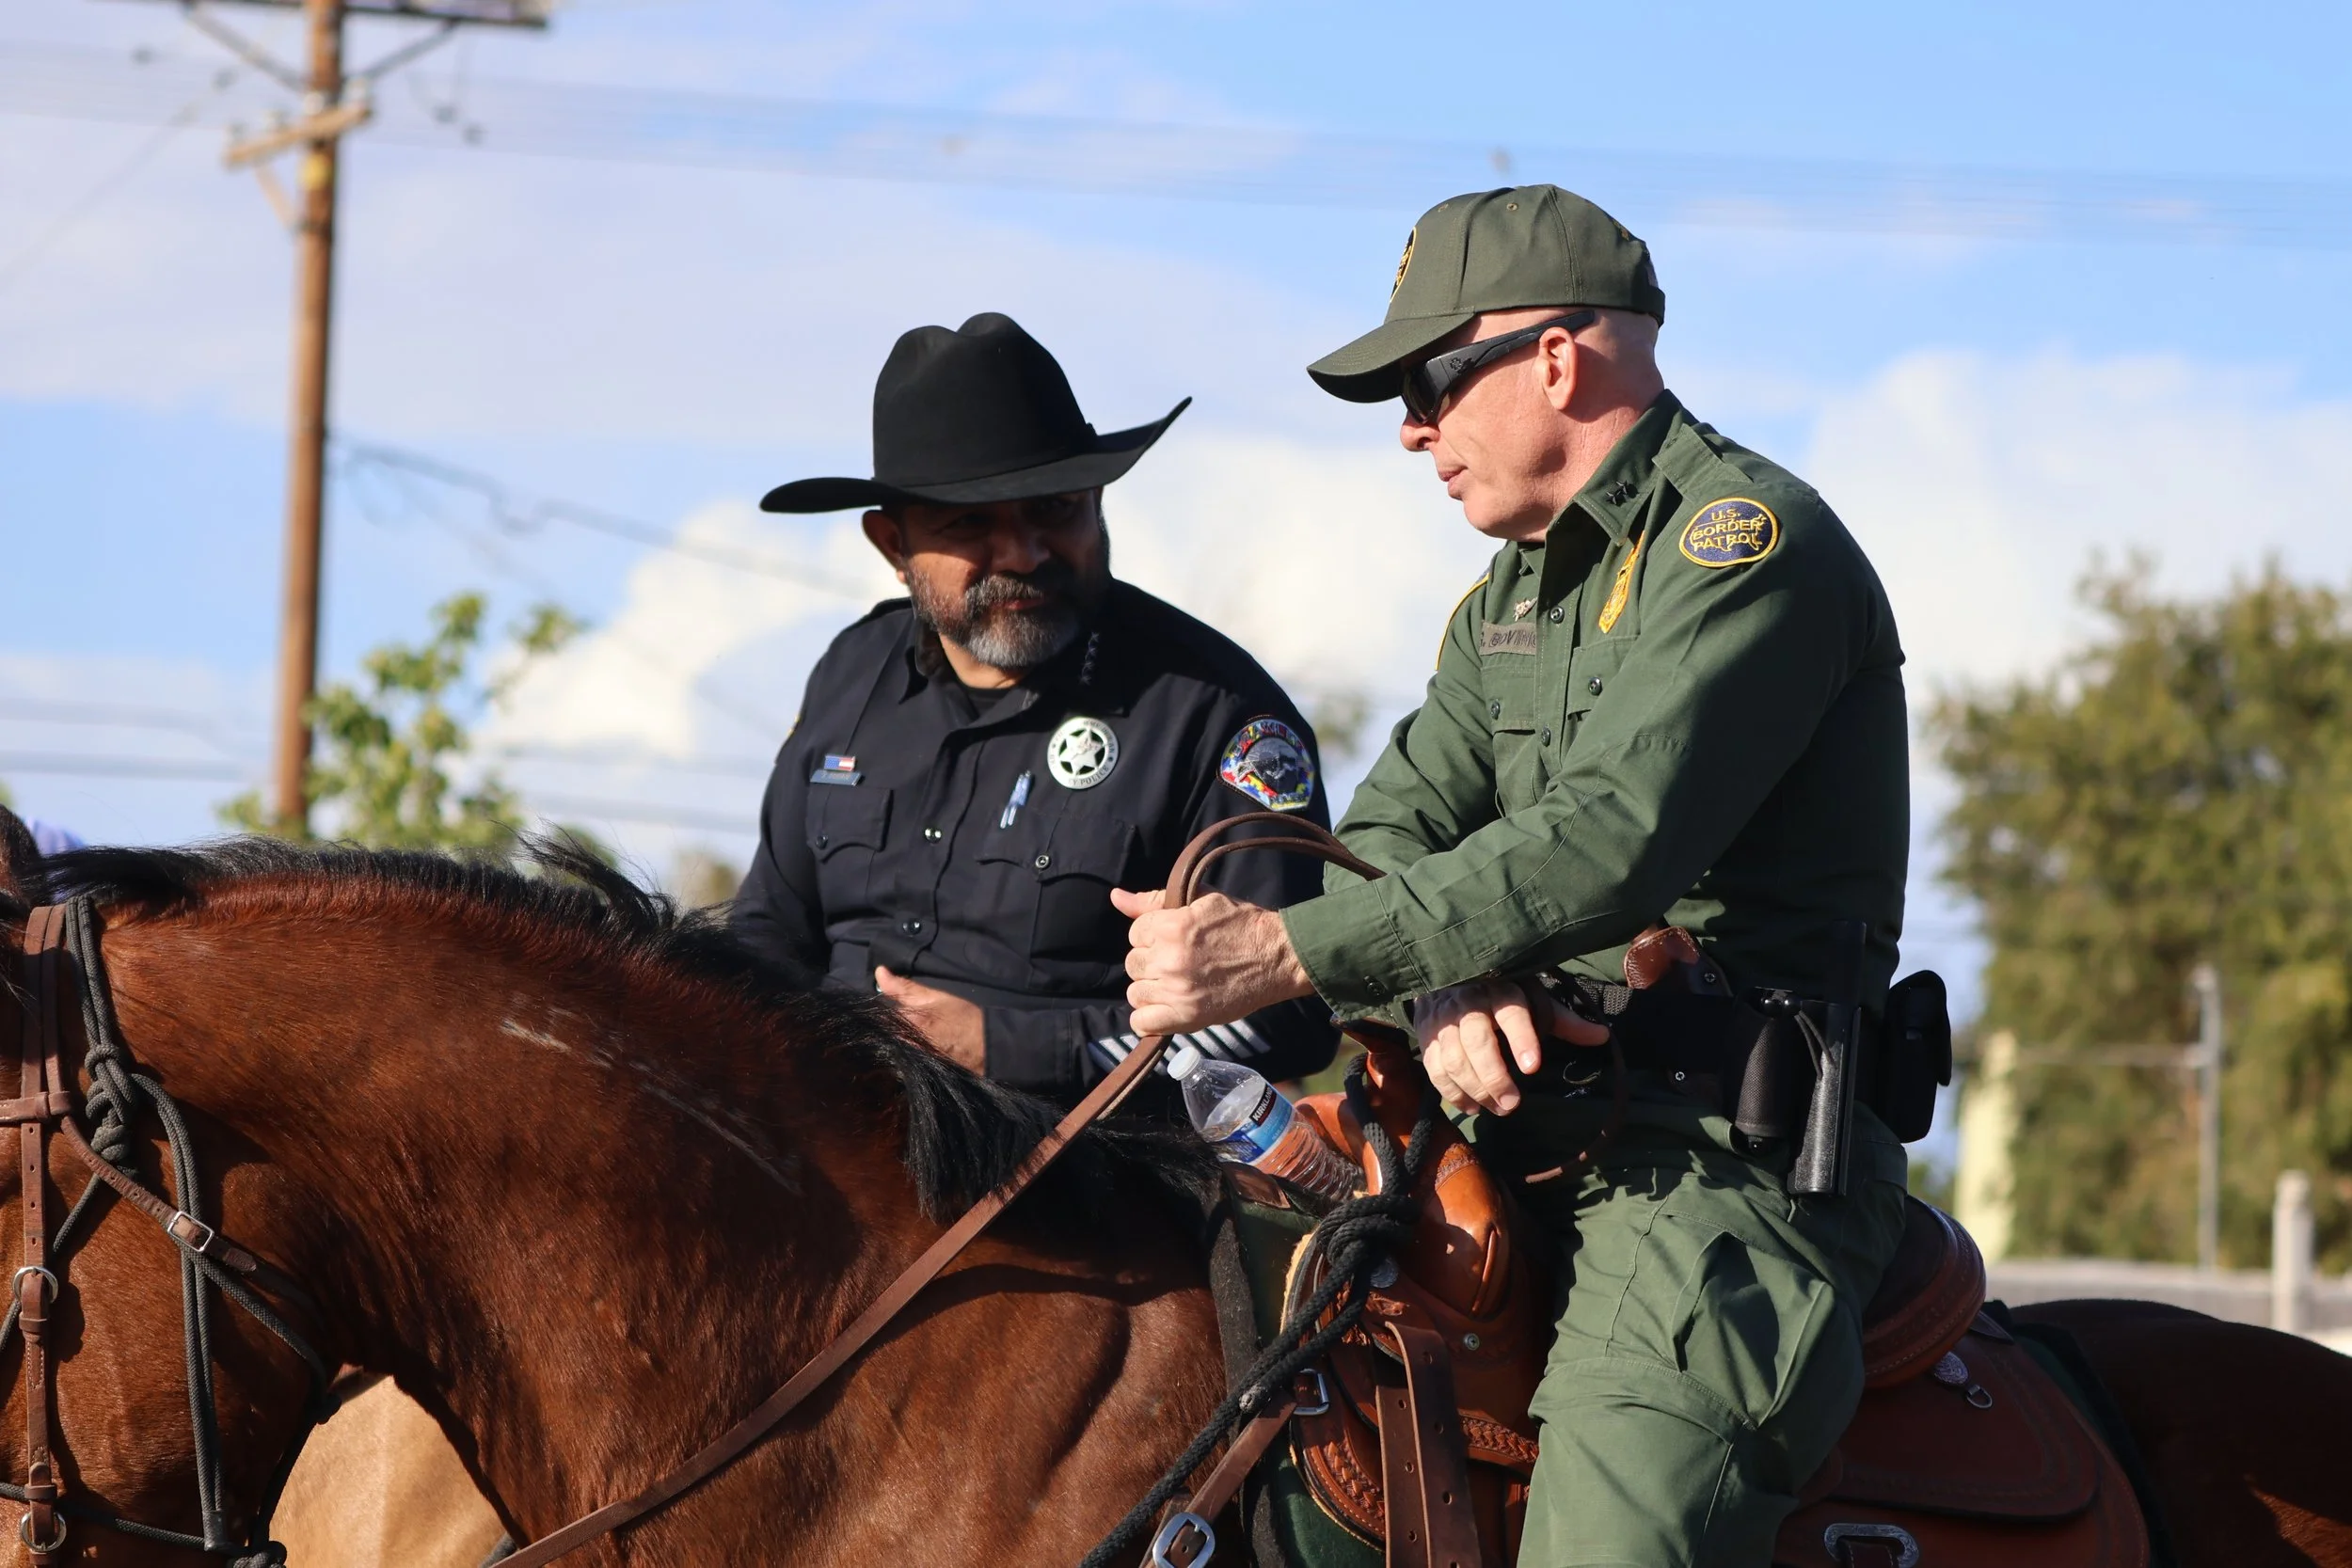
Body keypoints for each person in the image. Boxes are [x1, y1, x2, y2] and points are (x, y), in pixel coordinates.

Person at [1120, 186, 1914, 1566]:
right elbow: (1386, 833)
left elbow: (1607, 842)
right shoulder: (1507, 604)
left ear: (1557, 357)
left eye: (1431, 381)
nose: (1414, 429)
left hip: (1715, 1172)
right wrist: (1442, 984)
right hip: (1513, 1121)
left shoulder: (1749, 549)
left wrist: (1284, 956)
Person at [735, 311, 1338, 1103]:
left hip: (1086, 1186)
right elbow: (768, 934)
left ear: (1097, 500)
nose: (1023, 554)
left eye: (1055, 509)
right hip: (827, 1153)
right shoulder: (852, 672)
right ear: (892, 544)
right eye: (970, 526)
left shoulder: (1218, 715)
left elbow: (1284, 1017)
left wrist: (1008, 1047)